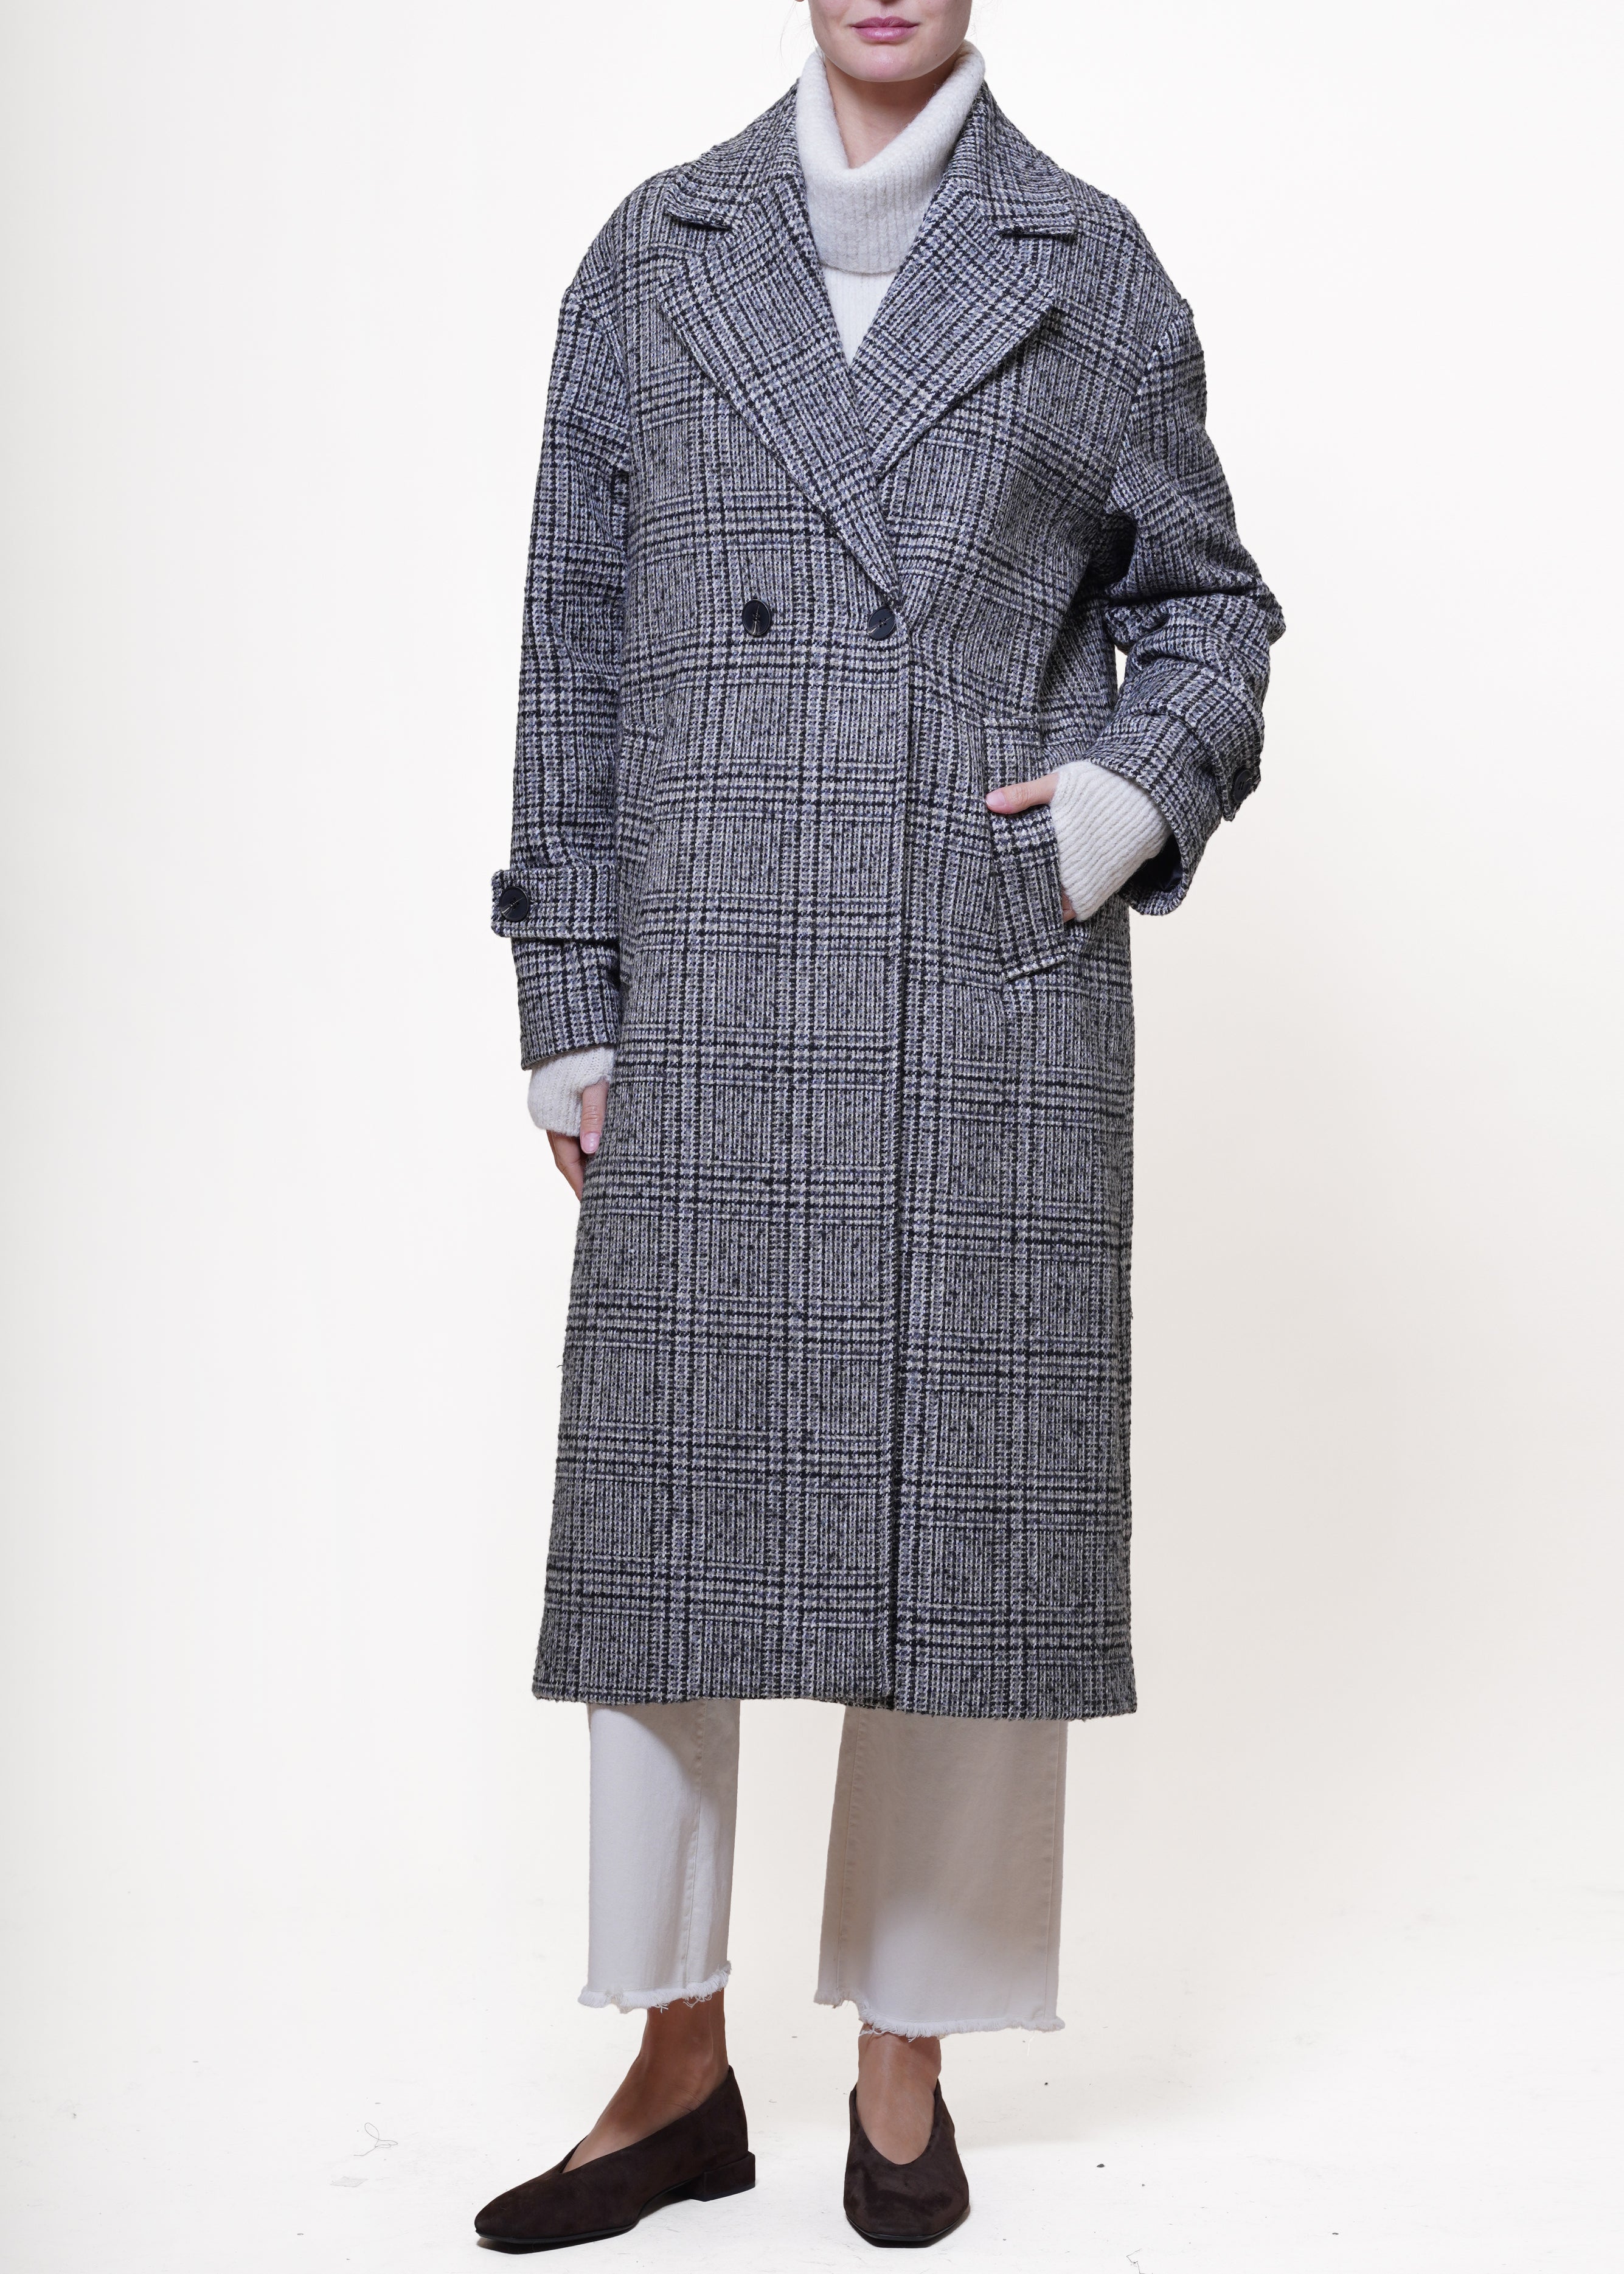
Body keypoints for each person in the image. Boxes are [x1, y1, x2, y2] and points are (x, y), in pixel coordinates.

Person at [478, 0, 1282, 2250]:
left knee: (968, 1541)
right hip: (711, 976)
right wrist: (569, 989)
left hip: (978, 983)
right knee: (669, 1530)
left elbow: (1212, 616)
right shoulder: (657, 254)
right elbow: (574, 645)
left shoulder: (1088, 264)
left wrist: (1118, 804)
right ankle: (674, 2063)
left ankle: (906, 2063)